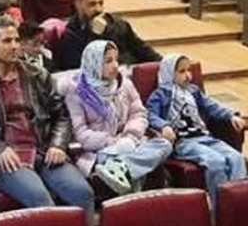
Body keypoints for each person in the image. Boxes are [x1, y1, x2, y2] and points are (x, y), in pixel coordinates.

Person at [0, 16, 94, 224]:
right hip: (7, 157)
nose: (15, 46)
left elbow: (61, 116)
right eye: (7, 41)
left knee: (82, 193)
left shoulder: (37, 74)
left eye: (16, 40)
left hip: (42, 150)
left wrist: (58, 144)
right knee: (42, 201)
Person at [62, 40, 170, 195]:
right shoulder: (76, 92)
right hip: (98, 151)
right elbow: (80, 133)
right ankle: (125, 173)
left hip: (130, 140)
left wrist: (130, 136)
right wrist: (112, 141)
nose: (115, 66)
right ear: (93, 63)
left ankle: (121, 167)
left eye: (116, 60)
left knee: (164, 145)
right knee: (127, 150)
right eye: (108, 61)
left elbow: (139, 113)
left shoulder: (125, 84)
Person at [146, 54, 248, 202]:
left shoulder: (193, 90)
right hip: (184, 142)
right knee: (215, 162)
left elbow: (212, 106)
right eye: (182, 71)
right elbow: (150, 115)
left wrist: (231, 116)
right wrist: (164, 125)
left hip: (205, 137)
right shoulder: (160, 94)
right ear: (169, 73)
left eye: (189, 70)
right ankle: (220, 206)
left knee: (237, 158)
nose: (188, 75)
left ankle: (239, 202)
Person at [54, 0, 160, 70]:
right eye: (92, 4)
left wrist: (162, 63)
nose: (98, 9)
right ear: (78, 5)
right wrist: (95, 35)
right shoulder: (71, 34)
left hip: (128, 71)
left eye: (101, 3)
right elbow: (81, 67)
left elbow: (141, 48)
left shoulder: (118, 23)